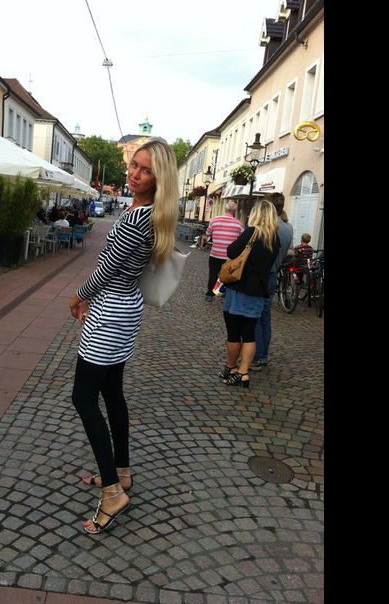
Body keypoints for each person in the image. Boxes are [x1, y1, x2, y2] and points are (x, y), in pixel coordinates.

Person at [68, 138, 179, 534]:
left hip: (110, 313)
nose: (135, 174)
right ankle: (123, 471)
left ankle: (113, 493)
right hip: (125, 309)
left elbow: (107, 269)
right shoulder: (149, 214)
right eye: (135, 165)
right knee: (112, 393)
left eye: (146, 170)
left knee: (83, 397)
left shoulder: (137, 219)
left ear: (159, 178)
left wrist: (78, 296)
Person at [219, 199, 280, 388]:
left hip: (240, 289)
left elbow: (231, 251)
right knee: (249, 334)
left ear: (255, 214)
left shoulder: (251, 232)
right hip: (259, 291)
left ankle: (231, 367)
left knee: (234, 333)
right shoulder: (274, 239)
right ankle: (243, 373)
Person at [251, 192, 292, 371]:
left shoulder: (267, 227)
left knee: (254, 317)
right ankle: (263, 355)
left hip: (261, 275)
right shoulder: (287, 228)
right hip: (273, 274)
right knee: (265, 317)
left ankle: (256, 356)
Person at [199, 201, 244, 301]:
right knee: (227, 275)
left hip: (215, 253)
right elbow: (242, 240)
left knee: (213, 274)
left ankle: (210, 294)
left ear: (225, 209)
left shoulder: (215, 220)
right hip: (230, 256)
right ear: (235, 211)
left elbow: (207, 234)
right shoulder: (239, 224)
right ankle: (223, 295)